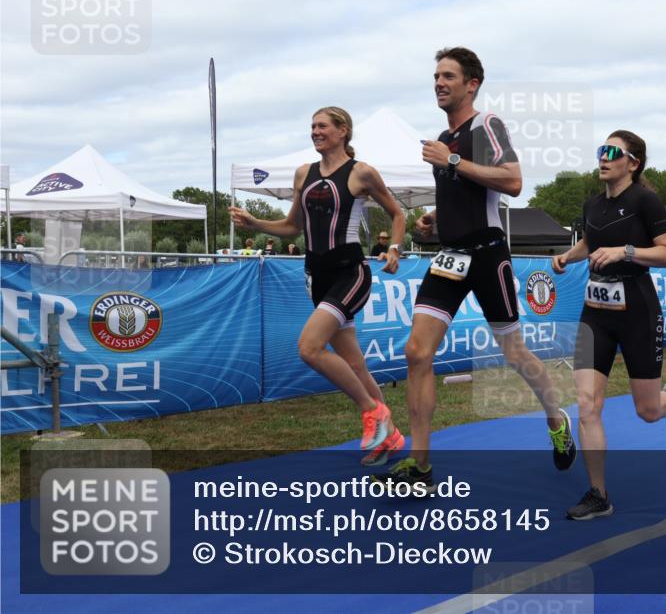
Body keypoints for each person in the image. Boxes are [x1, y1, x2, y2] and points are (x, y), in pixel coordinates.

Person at [374, 47, 576, 492]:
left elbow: (513, 182)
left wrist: (450, 160)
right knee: (416, 352)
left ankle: (555, 416)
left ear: (472, 84)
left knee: (514, 353)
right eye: (435, 77)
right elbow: (463, 197)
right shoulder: (441, 138)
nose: (439, 83)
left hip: (487, 255)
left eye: (448, 76)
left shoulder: (486, 125)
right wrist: (434, 222)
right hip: (450, 257)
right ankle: (420, 465)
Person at [229, 106, 407, 466]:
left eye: (322, 126)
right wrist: (255, 222)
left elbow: (398, 214)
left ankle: (373, 414)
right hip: (317, 275)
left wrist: (394, 247)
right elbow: (293, 227)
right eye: (312, 126)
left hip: (350, 272)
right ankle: (393, 436)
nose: (315, 131)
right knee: (354, 365)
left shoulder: (361, 172)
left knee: (309, 348)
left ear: (343, 131)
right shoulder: (303, 174)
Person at [552, 131, 666, 521]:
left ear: (633, 163)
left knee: (646, 410)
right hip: (595, 313)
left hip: (638, 312)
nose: (603, 157)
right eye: (601, 150)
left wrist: (627, 252)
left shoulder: (644, 201)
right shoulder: (592, 204)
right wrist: (568, 255)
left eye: (612, 152)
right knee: (586, 404)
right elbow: (592, 242)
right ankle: (599, 494)